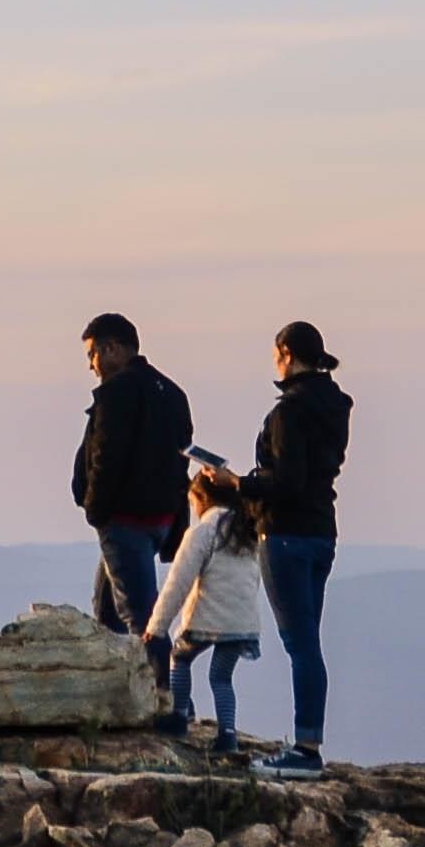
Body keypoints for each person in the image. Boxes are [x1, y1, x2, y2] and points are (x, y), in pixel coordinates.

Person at [239, 320, 354, 773]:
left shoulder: (289, 411)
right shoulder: (333, 406)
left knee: (300, 644)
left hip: (284, 533)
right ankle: (309, 741)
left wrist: (238, 484)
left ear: (287, 353)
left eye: (276, 354)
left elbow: (285, 481)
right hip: (322, 531)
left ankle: (305, 751)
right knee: (309, 642)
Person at [70, 313, 193, 638]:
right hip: (160, 518)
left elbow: (107, 454)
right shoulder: (172, 393)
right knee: (108, 610)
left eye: (92, 354)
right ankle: (115, 681)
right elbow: (182, 457)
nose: (91, 365)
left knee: (143, 621)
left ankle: (160, 686)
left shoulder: (117, 393)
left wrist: (96, 510)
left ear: (111, 348)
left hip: (125, 519)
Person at [142, 462, 268, 746]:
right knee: (221, 678)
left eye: (193, 502)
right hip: (243, 624)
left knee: (180, 657)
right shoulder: (247, 533)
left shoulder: (203, 532)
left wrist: (157, 626)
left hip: (207, 620)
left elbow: (178, 582)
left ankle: (178, 715)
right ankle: (228, 735)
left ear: (202, 500)